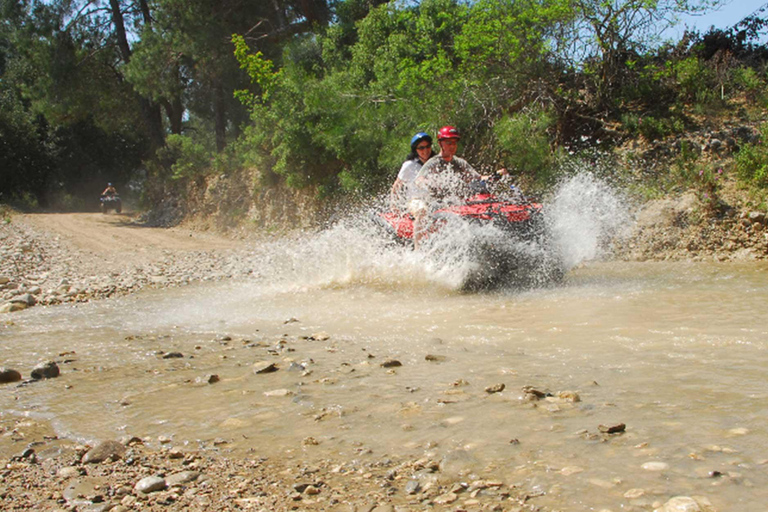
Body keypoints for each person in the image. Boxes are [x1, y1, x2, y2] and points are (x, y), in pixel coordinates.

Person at [410, 126, 505, 248]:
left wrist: (496, 175)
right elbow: (419, 180)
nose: (452, 146)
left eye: (454, 143)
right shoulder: (433, 162)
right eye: (448, 143)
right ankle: (418, 249)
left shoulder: (459, 163)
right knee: (422, 212)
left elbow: (478, 178)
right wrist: (433, 182)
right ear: (440, 144)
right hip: (430, 202)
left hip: (452, 203)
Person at [389, 132, 436, 209]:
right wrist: (393, 206)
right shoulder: (409, 165)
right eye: (421, 148)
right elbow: (396, 186)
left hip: (432, 201)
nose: (425, 150)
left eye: (428, 147)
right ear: (415, 150)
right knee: (422, 210)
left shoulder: (435, 163)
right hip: (415, 201)